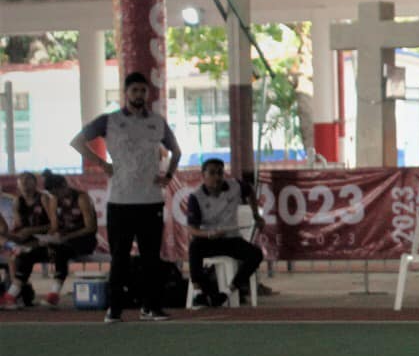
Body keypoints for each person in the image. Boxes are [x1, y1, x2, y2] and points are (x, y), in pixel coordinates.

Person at [69, 72, 182, 323]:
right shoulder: (109, 121)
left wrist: (169, 174)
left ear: (147, 94)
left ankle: (150, 306)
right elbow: (77, 141)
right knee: (119, 258)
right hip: (120, 201)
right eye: (135, 91)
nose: (139, 95)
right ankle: (115, 309)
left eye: (143, 91)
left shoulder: (157, 122)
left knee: (151, 257)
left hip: (151, 200)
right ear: (126, 93)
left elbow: (177, 150)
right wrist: (101, 164)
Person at [183, 157, 264, 307]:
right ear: (203, 175)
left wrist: (256, 215)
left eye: (220, 173)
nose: (217, 177)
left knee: (256, 254)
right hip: (209, 239)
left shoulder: (235, 186)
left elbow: (250, 191)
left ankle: (228, 291)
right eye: (212, 173)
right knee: (195, 247)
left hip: (232, 239)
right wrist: (209, 234)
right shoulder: (196, 197)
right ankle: (199, 293)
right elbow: (192, 229)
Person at [28, 171, 98, 307]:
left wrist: (67, 237)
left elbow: (90, 227)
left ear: (65, 186)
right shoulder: (54, 200)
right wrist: (49, 236)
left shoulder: (81, 198)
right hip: (63, 240)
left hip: (84, 239)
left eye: (57, 193)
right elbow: (54, 225)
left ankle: (54, 294)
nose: (56, 196)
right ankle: (15, 292)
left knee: (60, 251)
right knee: (33, 250)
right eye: (53, 194)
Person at [2, 172, 56, 308]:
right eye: (22, 181)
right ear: (18, 185)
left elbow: (54, 225)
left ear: (35, 182)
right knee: (13, 255)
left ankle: (16, 295)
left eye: (28, 180)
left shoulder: (44, 198)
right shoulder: (17, 202)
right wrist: (10, 233)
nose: (25, 183)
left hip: (45, 238)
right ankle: (19, 295)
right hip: (26, 240)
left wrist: (32, 231)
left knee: (19, 256)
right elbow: (19, 226)